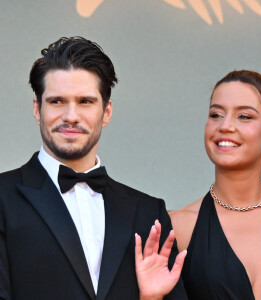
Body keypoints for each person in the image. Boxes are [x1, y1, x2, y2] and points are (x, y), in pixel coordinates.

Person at [0, 36, 188, 300]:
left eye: (85, 102)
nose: (71, 116)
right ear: (36, 109)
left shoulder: (147, 212)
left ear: (107, 111)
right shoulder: (3, 198)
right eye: (56, 101)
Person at [136, 70, 261, 299]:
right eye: (216, 114)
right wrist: (149, 297)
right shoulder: (179, 227)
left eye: (244, 116)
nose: (225, 126)